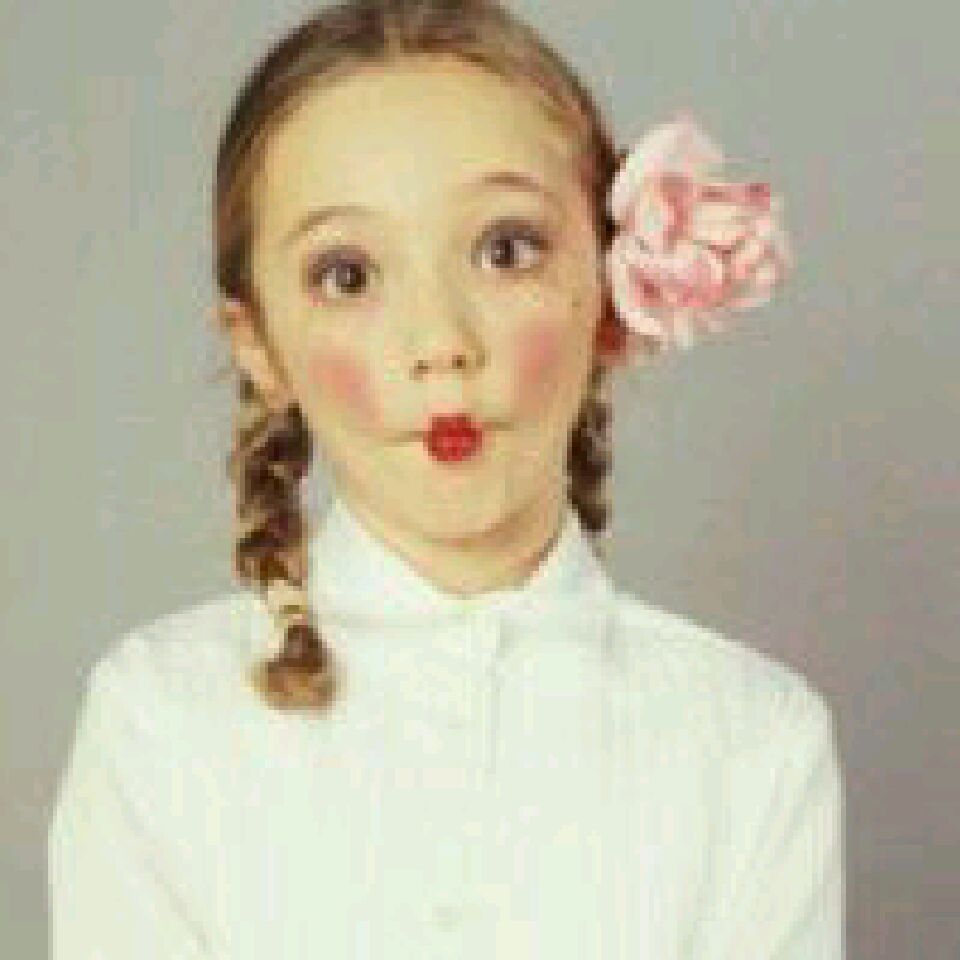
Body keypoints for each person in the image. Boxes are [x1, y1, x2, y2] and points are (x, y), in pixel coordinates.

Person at [47, 1, 843, 957]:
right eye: (348, 275)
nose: (440, 343)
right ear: (256, 342)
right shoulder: (161, 721)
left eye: (505, 251)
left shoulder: (752, 739)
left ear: (610, 287)